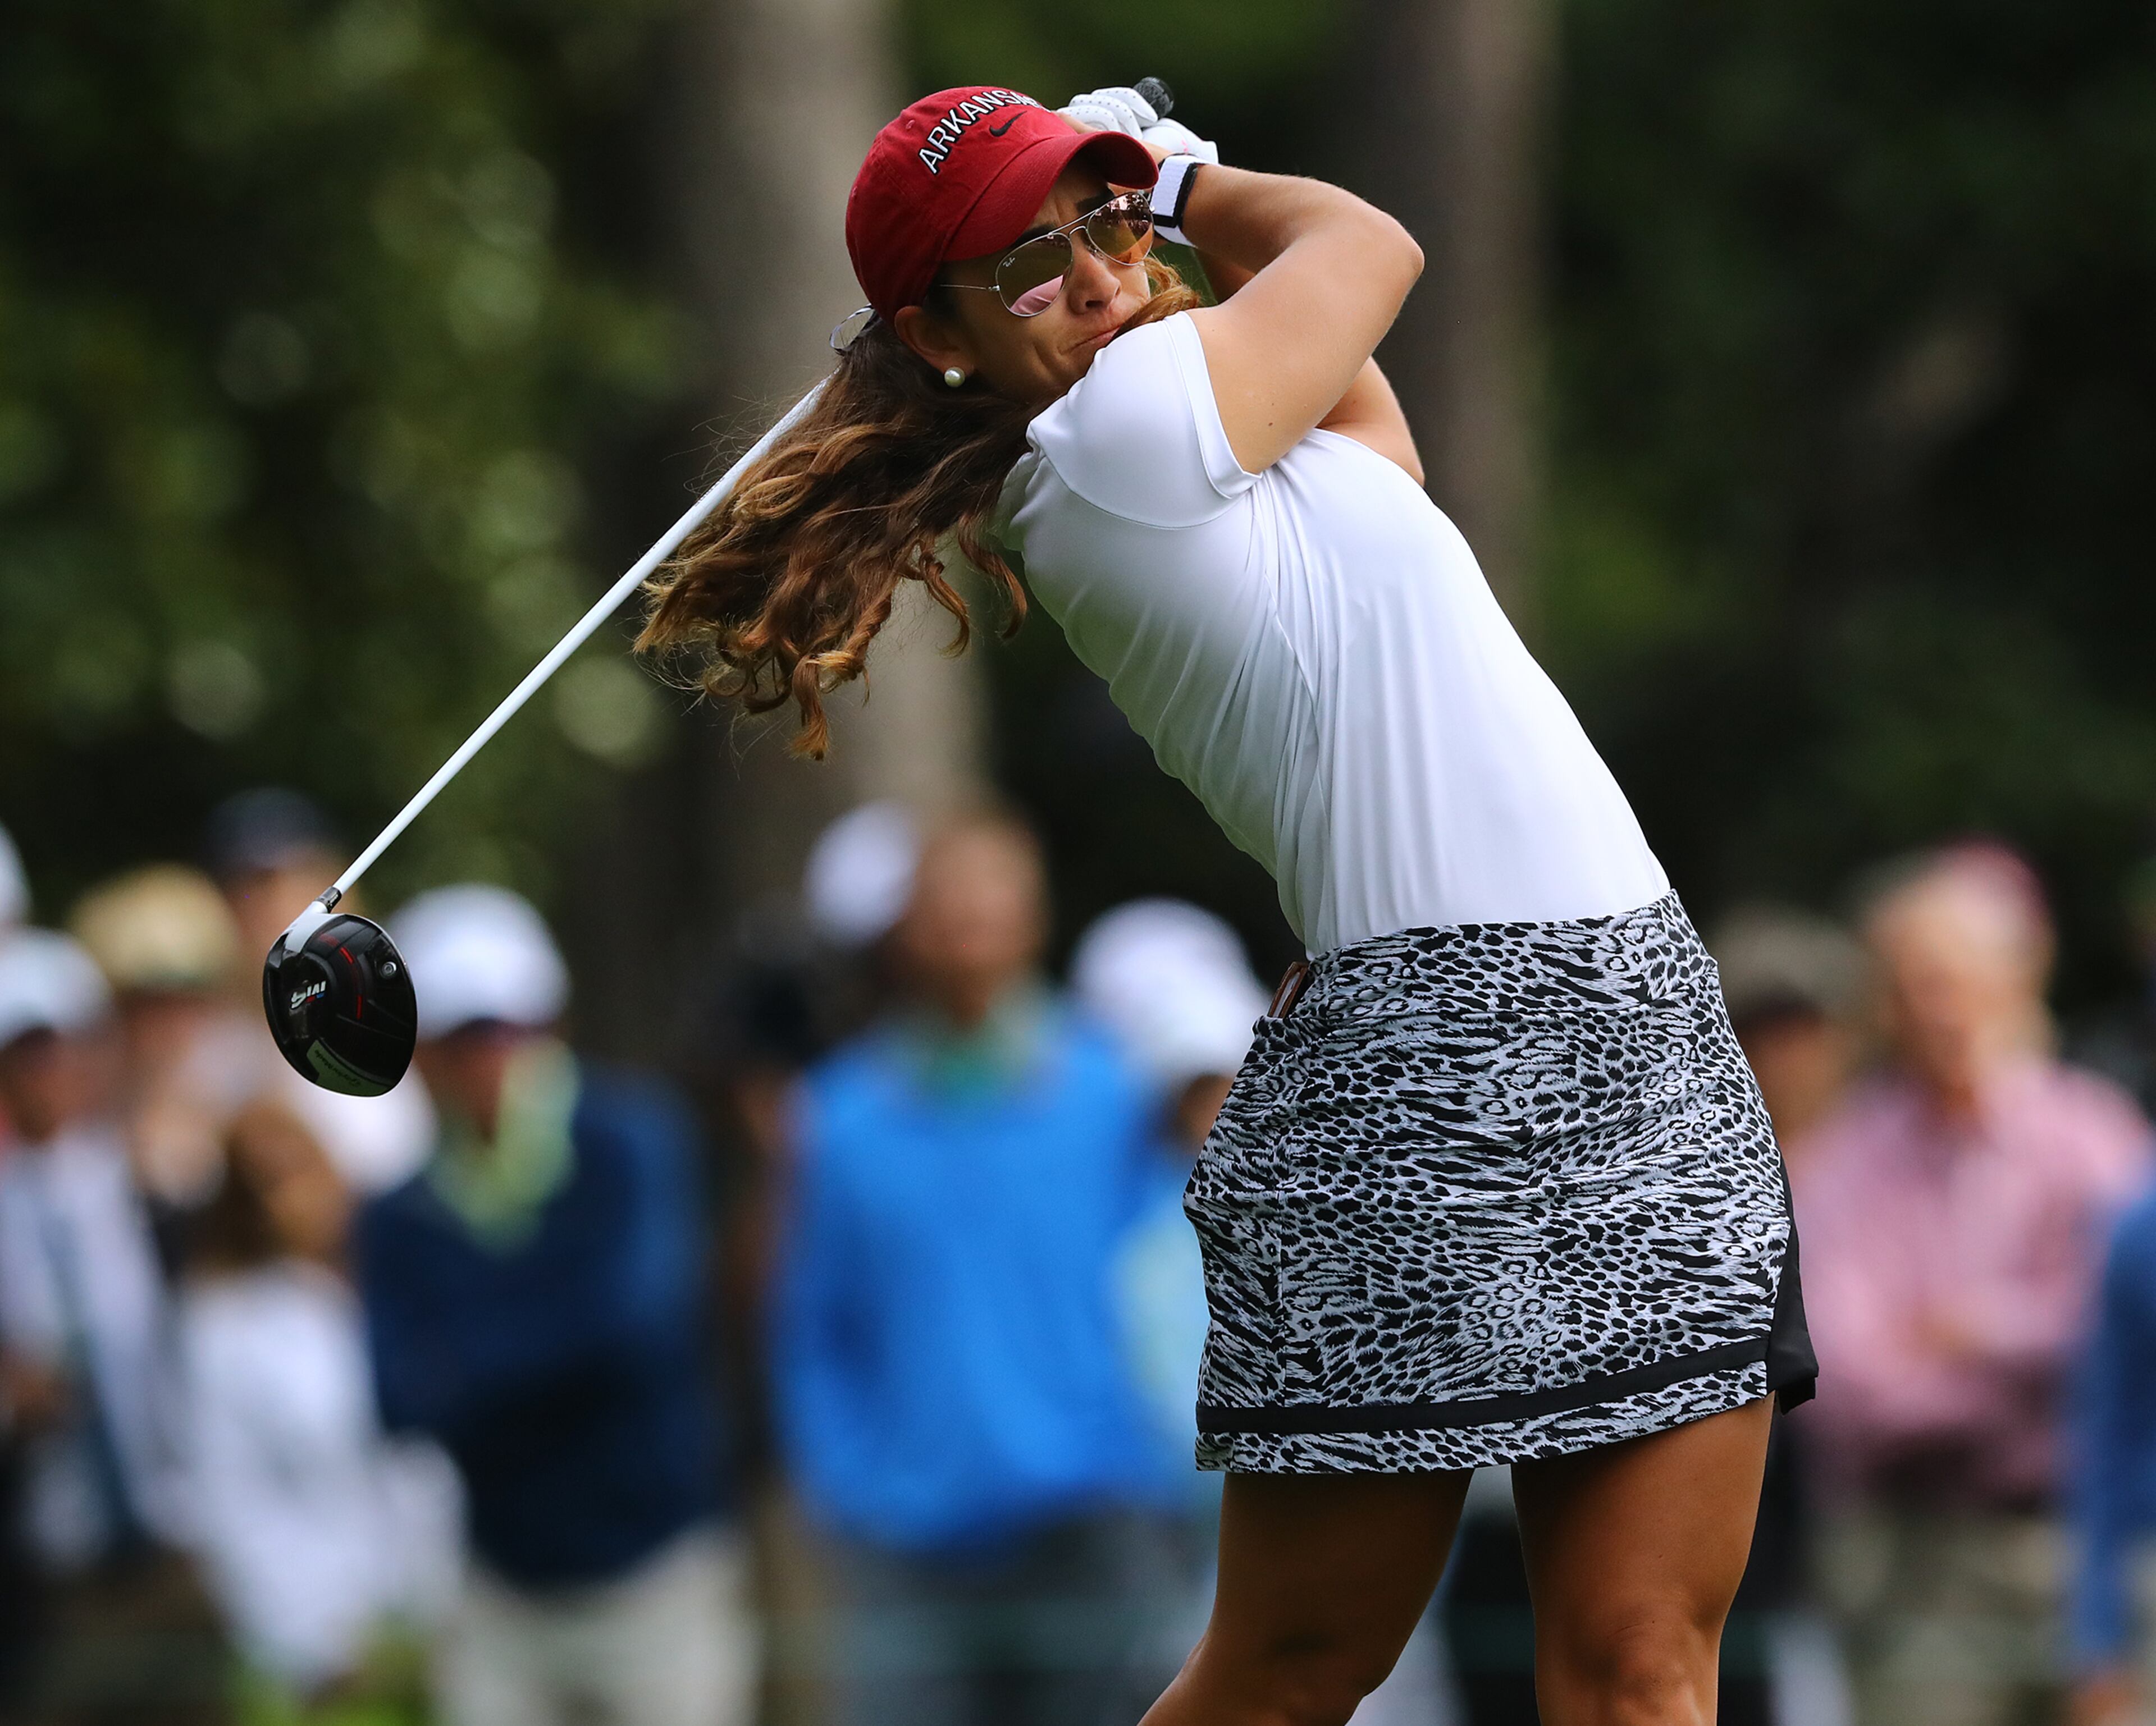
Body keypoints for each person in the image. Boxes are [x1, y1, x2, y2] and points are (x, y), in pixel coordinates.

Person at [639, 81, 1814, 1723]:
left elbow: (1370, 419)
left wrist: (1150, 210)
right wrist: (1182, 171)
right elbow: (1368, 242)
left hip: (1640, 1032)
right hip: (1427, 1066)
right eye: (1032, 261)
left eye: (1104, 222)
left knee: (1640, 1667)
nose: (1102, 273)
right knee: (1290, 1669)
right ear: (939, 332)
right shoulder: (1110, 450)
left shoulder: (1227, 438)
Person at [771, 811, 1187, 1726]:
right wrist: (848, 1480)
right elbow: (812, 1323)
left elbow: (1172, 1289)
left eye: (992, 898)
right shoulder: (840, 1118)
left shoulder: (1111, 1091)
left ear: (1034, 920)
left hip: (1092, 1519)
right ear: (905, 929)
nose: (969, 923)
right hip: (907, 1543)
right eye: (945, 902)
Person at [353, 885, 752, 1726]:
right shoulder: (398, 1211)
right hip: (502, 1591)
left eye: (511, 1029)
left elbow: (631, 1330)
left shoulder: (635, 1143)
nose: (494, 1059)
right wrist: (553, 1331)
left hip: (657, 1579)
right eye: (465, 1038)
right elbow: (396, 1397)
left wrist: (467, 1360)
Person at [1796, 846, 2150, 1726]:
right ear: (1883, 1000)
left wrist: (1979, 1331)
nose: (1941, 1006)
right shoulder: (1838, 1168)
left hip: (2099, 1544)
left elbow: (2130, 1338)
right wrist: (2052, 1370)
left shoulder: (2096, 1135)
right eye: (1917, 981)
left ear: (2022, 975)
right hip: (1919, 1569)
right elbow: (1857, 1393)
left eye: (1962, 977)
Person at [0, 930, 220, 1724]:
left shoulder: (161, 1185)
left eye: (65, 1047)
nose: (52, 1072)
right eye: (28, 1053)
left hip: (183, 1554)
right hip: (58, 1582)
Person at [180, 1098, 458, 1707]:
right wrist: (308, 1643)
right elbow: (229, 1496)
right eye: (269, 1184)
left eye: (305, 1168)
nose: (297, 1197)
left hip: (446, 1620)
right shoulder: (226, 1325)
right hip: (324, 1647)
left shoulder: (405, 1279)